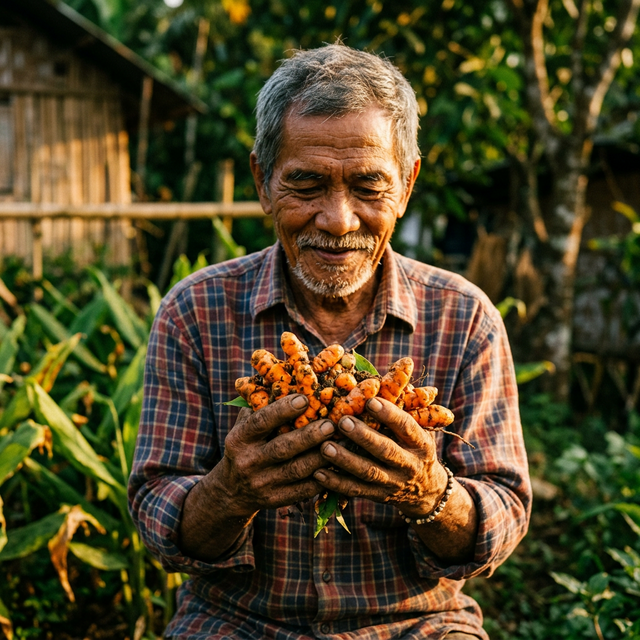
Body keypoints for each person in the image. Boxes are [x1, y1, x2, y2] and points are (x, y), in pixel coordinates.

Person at [128, 43, 532, 640]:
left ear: (407, 184)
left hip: (418, 624)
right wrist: (229, 490)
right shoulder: (194, 311)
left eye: (369, 186)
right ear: (263, 182)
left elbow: (504, 512)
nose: (339, 219)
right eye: (307, 184)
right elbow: (159, 515)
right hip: (236, 622)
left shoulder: (465, 317)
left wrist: (428, 490)